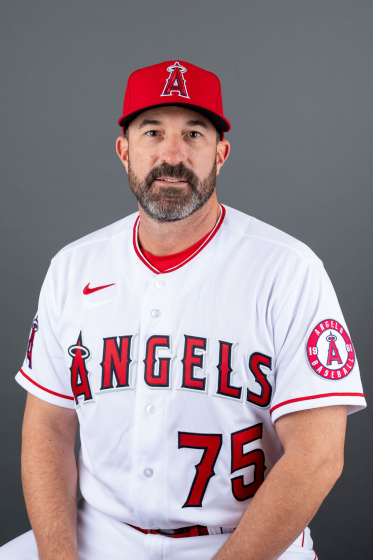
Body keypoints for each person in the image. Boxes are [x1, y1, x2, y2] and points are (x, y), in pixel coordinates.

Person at [0, 60, 366, 560]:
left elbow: (318, 456)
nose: (172, 155)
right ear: (124, 151)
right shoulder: (73, 267)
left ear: (221, 152)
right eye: (153, 132)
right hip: (100, 533)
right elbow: (48, 427)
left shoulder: (289, 270)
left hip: (244, 542)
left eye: (194, 134)